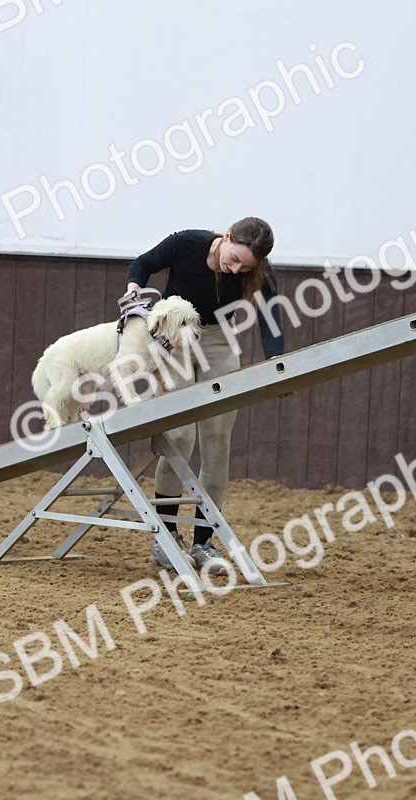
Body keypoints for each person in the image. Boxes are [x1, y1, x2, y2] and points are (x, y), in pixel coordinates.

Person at [123, 217, 285, 572]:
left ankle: (203, 543)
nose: (236, 268)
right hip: (175, 338)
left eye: (246, 266)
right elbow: (143, 264)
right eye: (234, 258)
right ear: (226, 236)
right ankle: (166, 538)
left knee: (216, 439)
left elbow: (271, 314)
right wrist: (135, 290)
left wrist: (276, 360)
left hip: (218, 341)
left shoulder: (257, 270)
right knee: (178, 436)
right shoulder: (187, 243)